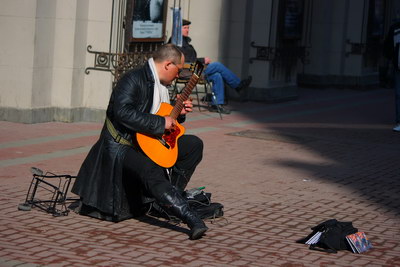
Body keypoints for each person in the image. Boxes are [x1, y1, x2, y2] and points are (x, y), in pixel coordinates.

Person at [71, 44, 208, 240]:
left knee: (193, 145)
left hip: (148, 141)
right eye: (178, 71)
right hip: (121, 145)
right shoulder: (133, 79)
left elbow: (164, 118)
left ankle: (169, 201)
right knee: (150, 170)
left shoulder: (161, 85)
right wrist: (162, 122)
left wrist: (179, 114)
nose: (178, 76)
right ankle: (190, 217)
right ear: (168, 64)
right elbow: (123, 113)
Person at [172, 19, 252, 114]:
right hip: (187, 72)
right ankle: (238, 85)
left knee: (217, 75)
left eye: (188, 28)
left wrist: (202, 60)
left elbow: (191, 59)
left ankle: (217, 104)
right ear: (178, 29)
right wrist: (202, 60)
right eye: (185, 28)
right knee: (217, 65)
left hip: (195, 70)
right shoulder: (176, 43)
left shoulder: (186, 42)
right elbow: (183, 61)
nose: (187, 30)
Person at [384, 20, 400, 132]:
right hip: (398, 66)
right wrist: (392, 59)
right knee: (398, 94)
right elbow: (388, 46)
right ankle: (399, 121)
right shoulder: (395, 28)